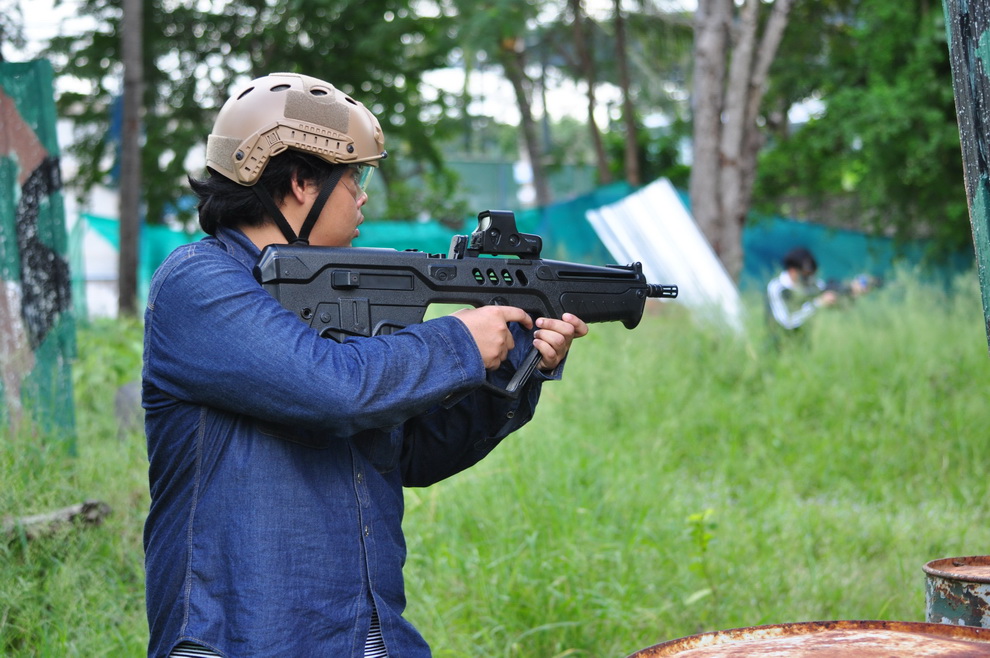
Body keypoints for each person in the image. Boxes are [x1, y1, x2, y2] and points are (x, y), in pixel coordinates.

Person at [141, 72, 588, 658]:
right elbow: (335, 388)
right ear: (301, 182)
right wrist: (457, 340)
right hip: (239, 636)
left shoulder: (333, 297)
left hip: (364, 632)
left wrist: (513, 363)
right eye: (354, 177)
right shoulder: (198, 284)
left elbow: (412, 453)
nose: (362, 196)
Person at [765, 246, 837, 334]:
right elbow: (787, 323)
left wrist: (847, 290)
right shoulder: (777, 288)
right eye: (806, 275)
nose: (810, 279)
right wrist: (817, 304)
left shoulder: (814, 284)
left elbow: (828, 290)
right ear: (792, 271)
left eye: (812, 274)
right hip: (781, 337)